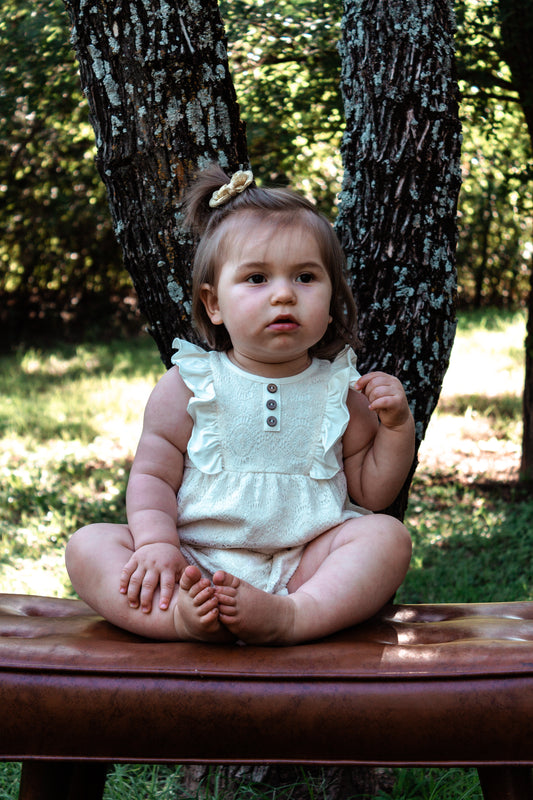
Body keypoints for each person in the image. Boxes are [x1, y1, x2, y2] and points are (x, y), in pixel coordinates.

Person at [66, 164, 415, 645]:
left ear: (332, 298)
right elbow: (151, 477)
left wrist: (396, 427)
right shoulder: (188, 386)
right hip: (190, 564)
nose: (284, 294)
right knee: (89, 544)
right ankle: (180, 620)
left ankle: (293, 616)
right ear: (213, 304)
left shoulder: (342, 393)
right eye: (256, 278)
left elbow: (373, 494)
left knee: (387, 537)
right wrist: (157, 545)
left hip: (301, 566)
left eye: (306, 277)